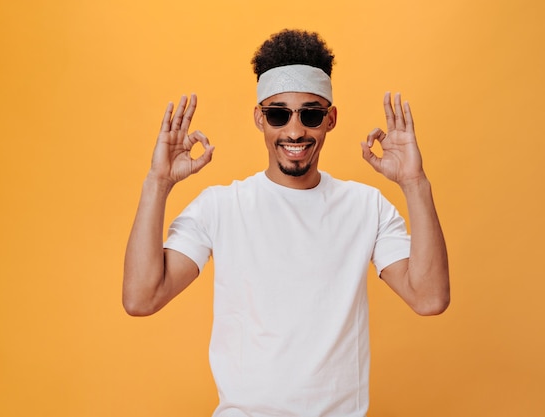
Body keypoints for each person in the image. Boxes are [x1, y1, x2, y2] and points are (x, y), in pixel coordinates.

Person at [123, 29, 449, 417]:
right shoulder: (222, 207)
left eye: (310, 114)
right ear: (260, 119)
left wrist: (415, 183)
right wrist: (157, 183)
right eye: (279, 114)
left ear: (330, 120)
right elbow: (141, 298)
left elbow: (429, 298)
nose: (295, 131)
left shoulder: (366, 207)